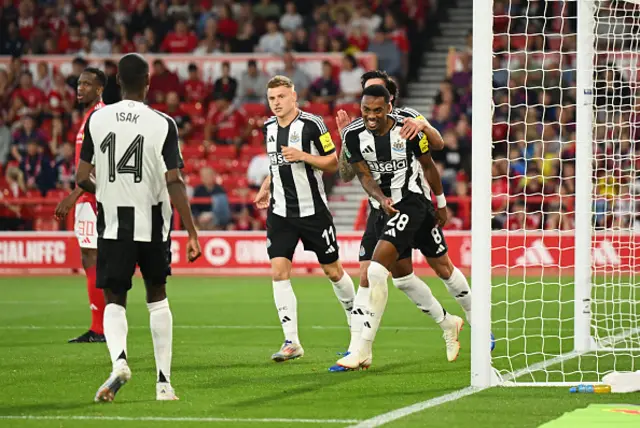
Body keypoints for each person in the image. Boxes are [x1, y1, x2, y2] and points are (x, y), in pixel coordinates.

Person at [75, 53, 201, 402]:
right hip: (153, 225)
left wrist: (106, 191)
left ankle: (119, 363)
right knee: (157, 299)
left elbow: (81, 177)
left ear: (116, 83)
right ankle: (163, 384)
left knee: (115, 299)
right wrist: (191, 231)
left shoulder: (97, 121)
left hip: (113, 225)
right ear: (148, 82)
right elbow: (174, 180)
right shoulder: (163, 123)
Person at [330, 71, 474, 370]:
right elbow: (356, 175)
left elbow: (433, 154)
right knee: (393, 277)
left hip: (412, 202)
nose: (370, 114)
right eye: (365, 107)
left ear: (389, 103)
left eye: (377, 108)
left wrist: (441, 202)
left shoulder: (408, 123)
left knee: (433, 268)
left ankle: (362, 349)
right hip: (381, 208)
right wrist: (344, 139)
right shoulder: (355, 134)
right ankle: (446, 323)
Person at [253, 75, 356, 362]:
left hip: (313, 212)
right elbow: (276, 165)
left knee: (333, 272)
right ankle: (291, 341)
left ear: (294, 96)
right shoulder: (268, 127)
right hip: (281, 212)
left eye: (281, 97)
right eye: (272, 98)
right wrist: (266, 186)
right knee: (278, 272)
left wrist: (302, 155)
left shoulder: (312, 125)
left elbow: (333, 163)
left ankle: (356, 326)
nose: (276, 103)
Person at [54, 67, 107, 344]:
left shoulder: (98, 116)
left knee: (93, 257)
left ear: (100, 89)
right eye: (79, 83)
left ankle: (99, 328)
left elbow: (99, 161)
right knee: (92, 258)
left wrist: (73, 196)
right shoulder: (91, 116)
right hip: (89, 194)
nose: (80, 88)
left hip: (91, 196)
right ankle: (100, 326)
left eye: (87, 84)